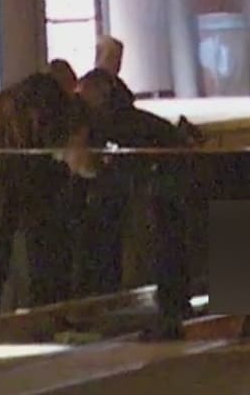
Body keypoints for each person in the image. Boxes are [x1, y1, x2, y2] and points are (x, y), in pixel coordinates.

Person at [75, 68, 197, 340]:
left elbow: (117, 164)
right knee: (168, 241)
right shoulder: (131, 120)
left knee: (165, 240)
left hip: (162, 182)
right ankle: (173, 301)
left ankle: (170, 303)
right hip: (165, 180)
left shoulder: (114, 124)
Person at [0, 73, 91, 317]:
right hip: (29, 180)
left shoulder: (6, 108)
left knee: (0, 251)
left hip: (6, 175)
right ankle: (47, 311)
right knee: (42, 247)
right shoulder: (50, 108)